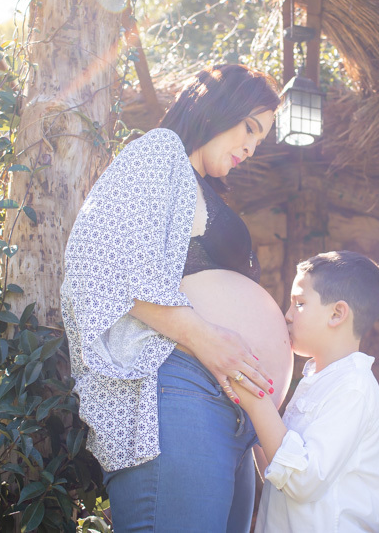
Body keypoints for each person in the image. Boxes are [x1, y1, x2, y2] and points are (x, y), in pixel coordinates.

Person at [61, 64, 294, 532]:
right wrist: (203, 338)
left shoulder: (206, 190)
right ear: (215, 106)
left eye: (260, 139)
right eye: (249, 127)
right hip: (184, 389)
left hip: (234, 415)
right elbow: (95, 258)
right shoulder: (161, 152)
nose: (251, 147)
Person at [232, 250, 379, 533]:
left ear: (337, 314)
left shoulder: (353, 388)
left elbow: (303, 480)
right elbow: (278, 469)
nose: (287, 315)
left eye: (299, 304)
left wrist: (257, 402)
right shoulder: (318, 378)